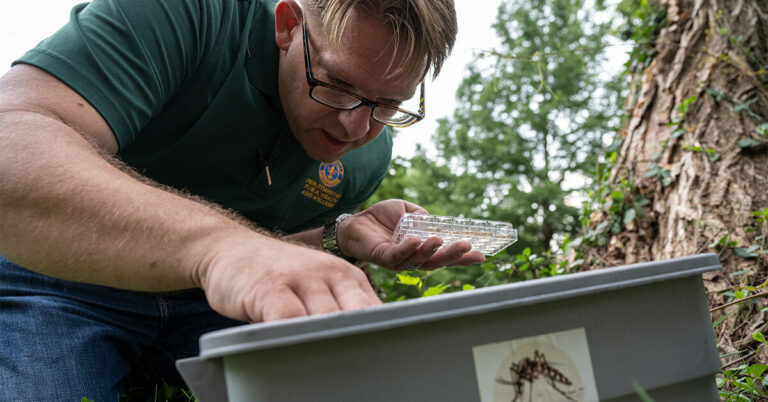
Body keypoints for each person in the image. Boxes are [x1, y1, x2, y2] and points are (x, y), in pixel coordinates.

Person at [0, 0, 485, 400]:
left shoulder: (367, 157)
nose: (354, 128)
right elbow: (12, 146)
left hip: (207, 308)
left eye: (388, 104)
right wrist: (217, 247)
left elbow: (265, 258)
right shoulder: (182, 14)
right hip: (59, 280)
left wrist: (335, 238)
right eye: (337, 85)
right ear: (288, 25)